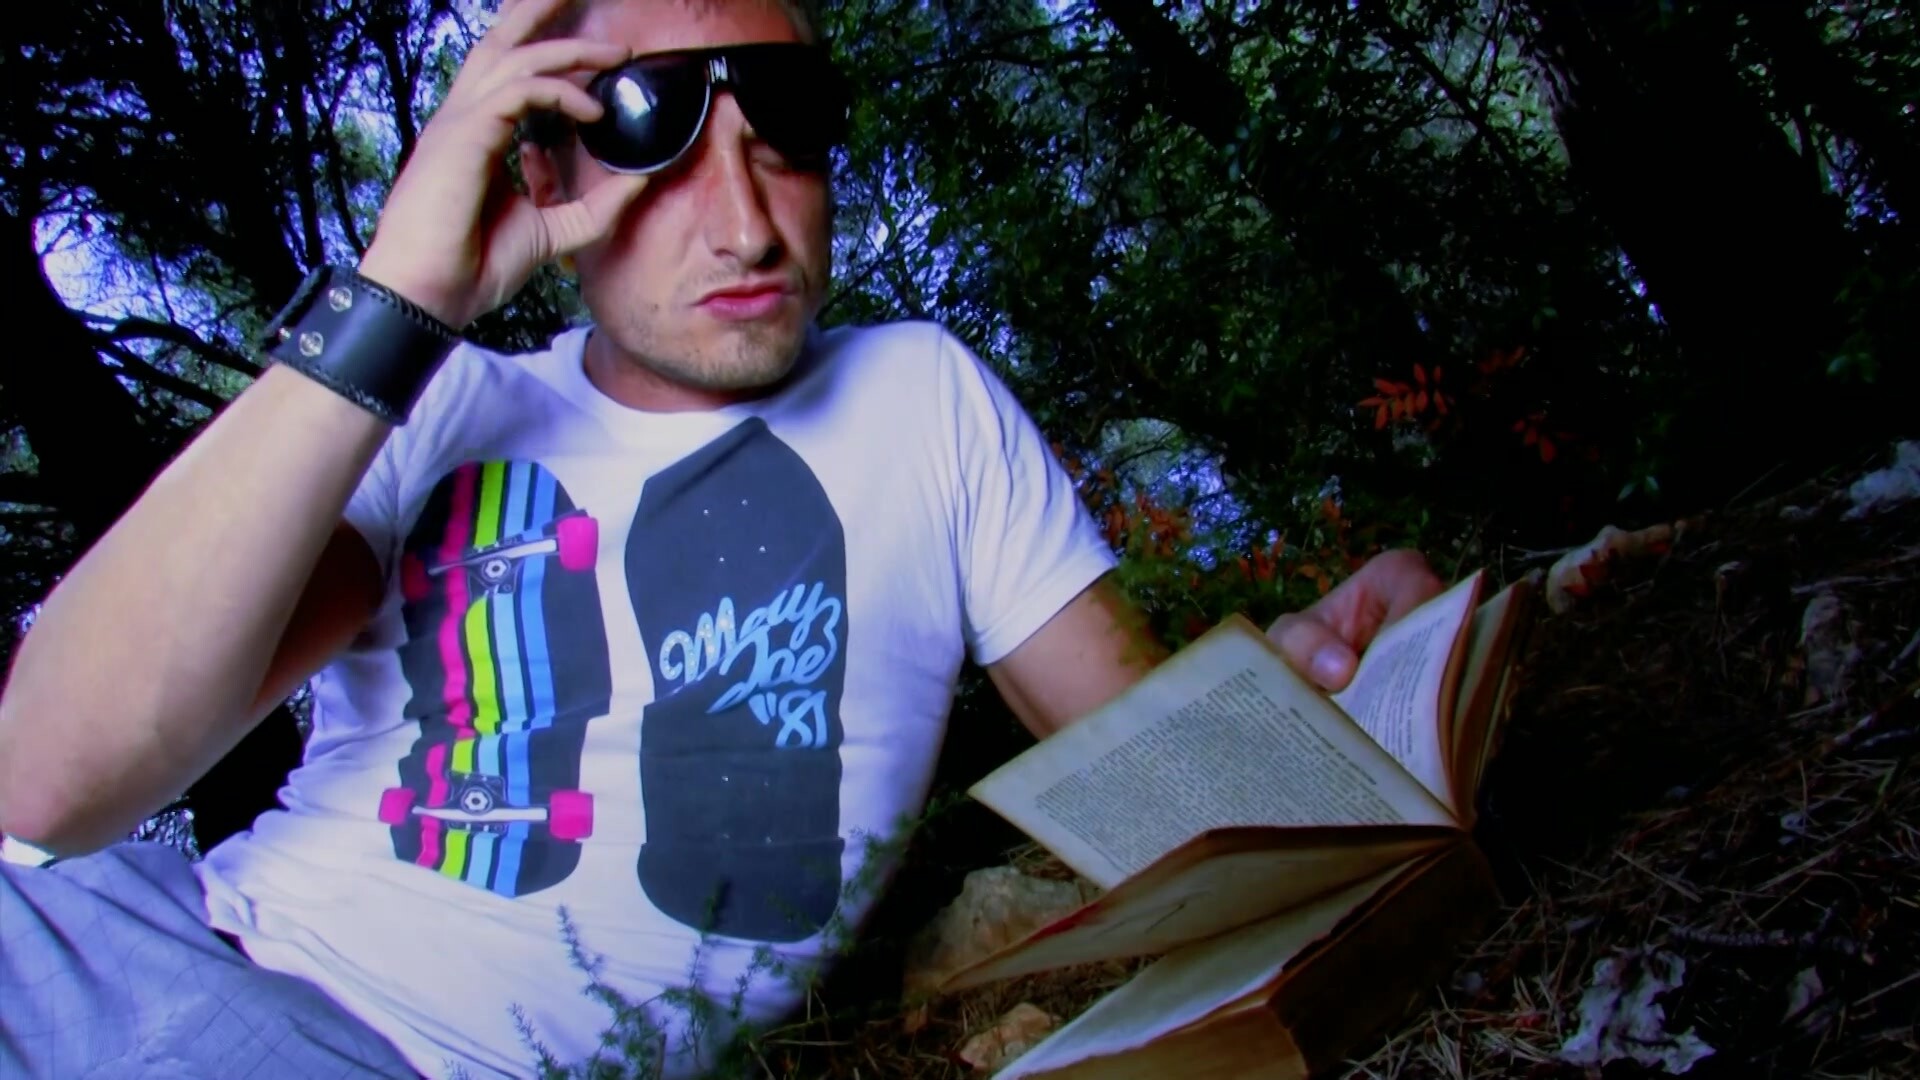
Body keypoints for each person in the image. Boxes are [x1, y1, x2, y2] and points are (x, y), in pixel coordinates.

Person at [0, 0, 1445, 1076]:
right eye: (666, 153)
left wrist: (1329, 681)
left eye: (783, 143)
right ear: (547, 179)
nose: (747, 229)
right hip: (123, 941)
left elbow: (1164, 777)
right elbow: (47, 784)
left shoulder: (923, 402)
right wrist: (399, 298)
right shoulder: (441, 405)